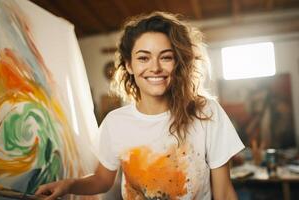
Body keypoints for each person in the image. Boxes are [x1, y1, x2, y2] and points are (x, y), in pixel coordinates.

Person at [35, 11, 244, 200]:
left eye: (166, 57)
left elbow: (224, 192)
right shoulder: (115, 122)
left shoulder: (206, 112)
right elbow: (102, 180)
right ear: (129, 65)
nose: (155, 67)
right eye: (143, 58)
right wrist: (68, 185)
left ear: (178, 62)